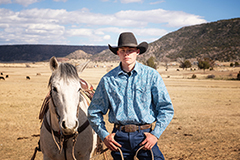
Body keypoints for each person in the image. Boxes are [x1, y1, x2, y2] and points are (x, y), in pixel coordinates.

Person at [88, 32, 174, 160]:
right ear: (118, 53)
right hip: (119, 138)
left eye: (130, 50)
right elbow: (94, 111)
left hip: (145, 135)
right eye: (122, 50)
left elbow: (166, 108)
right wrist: (104, 135)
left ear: (137, 52)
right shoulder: (108, 80)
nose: (126, 54)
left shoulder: (151, 76)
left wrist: (155, 135)